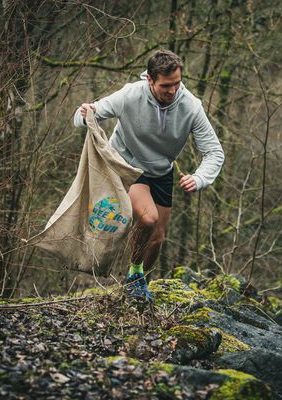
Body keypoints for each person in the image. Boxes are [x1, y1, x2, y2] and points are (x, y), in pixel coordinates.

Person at [73, 49, 224, 302]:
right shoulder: (130, 95)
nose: (173, 91)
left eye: (177, 84)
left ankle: (136, 281)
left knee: (157, 239)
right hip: (127, 165)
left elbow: (214, 152)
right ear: (150, 80)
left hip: (161, 170)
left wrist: (199, 178)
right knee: (149, 218)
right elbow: (85, 117)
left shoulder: (191, 107)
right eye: (166, 86)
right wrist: (84, 112)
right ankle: (132, 279)